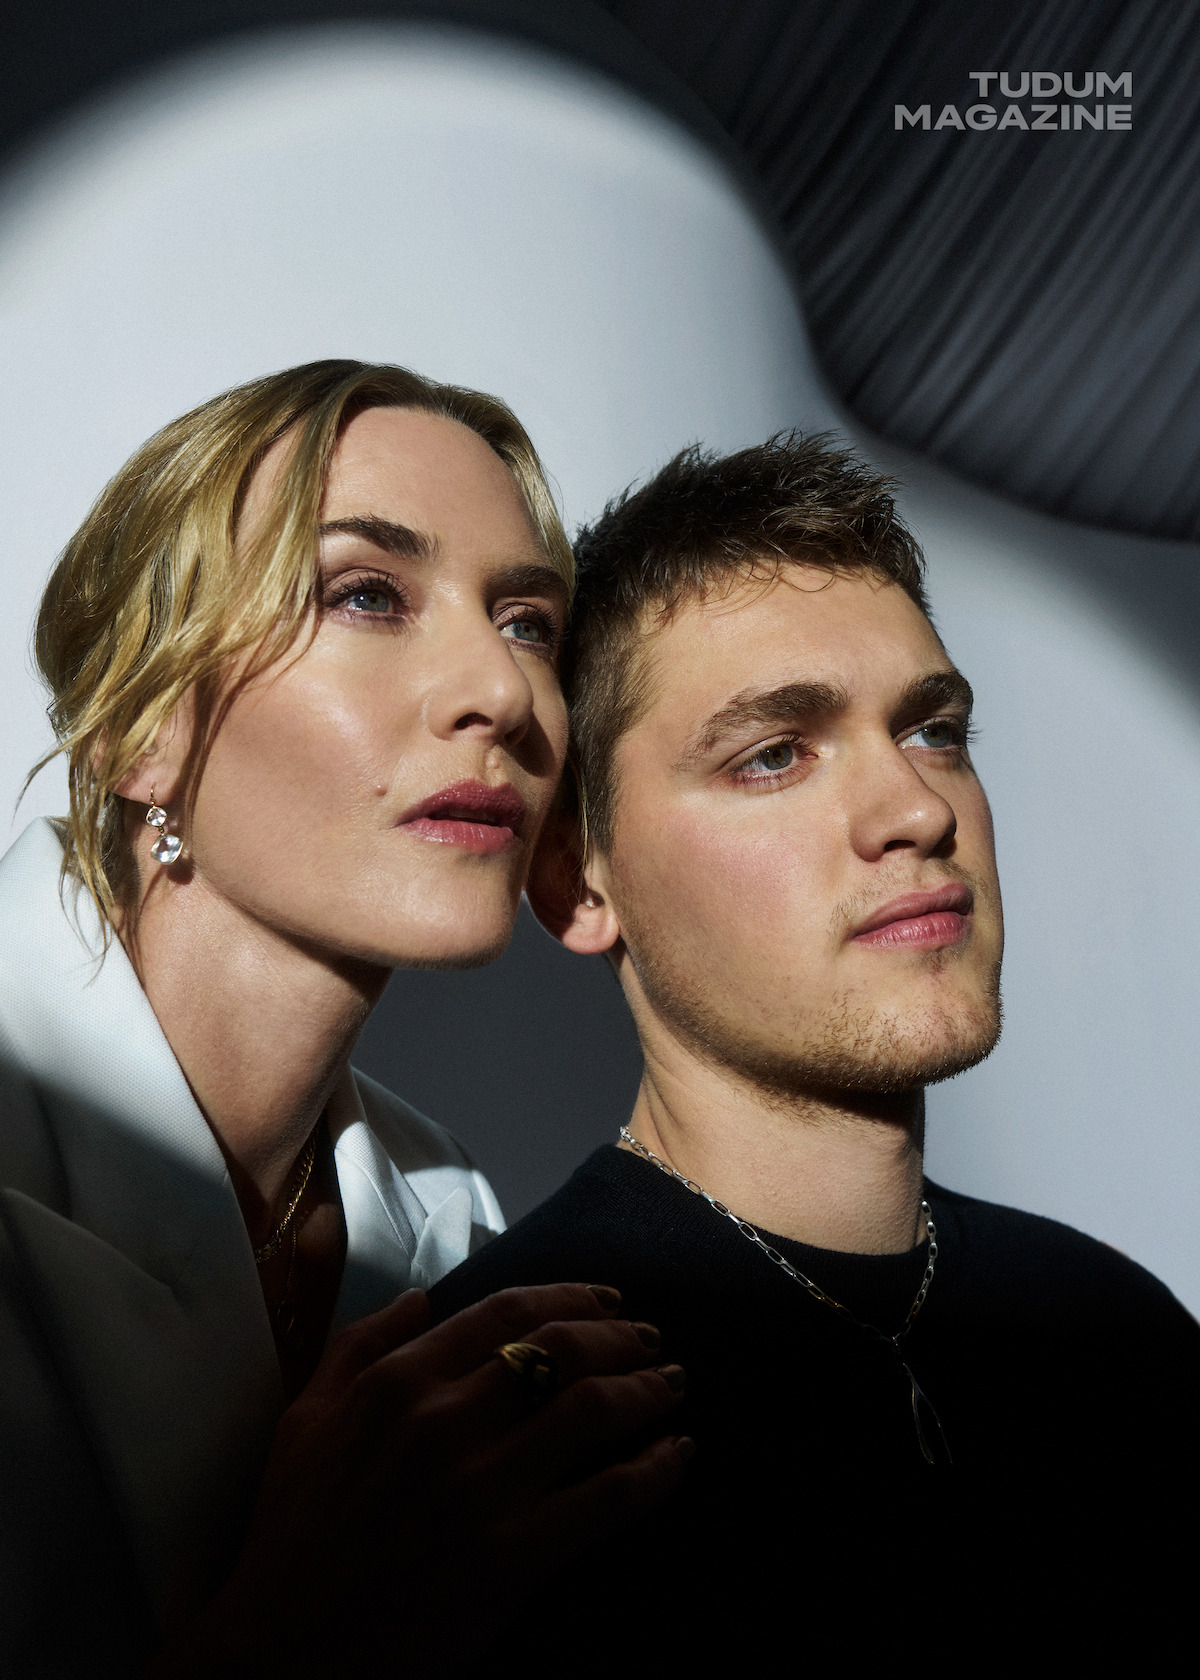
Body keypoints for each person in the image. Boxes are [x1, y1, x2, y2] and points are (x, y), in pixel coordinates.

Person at [431, 434, 1200, 1667]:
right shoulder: (505, 1418)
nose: (917, 809)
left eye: (935, 729)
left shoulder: (1116, 1332)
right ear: (580, 883)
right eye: (774, 753)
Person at [0, 360, 691, 1679]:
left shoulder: (454, 1220)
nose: (499, 690)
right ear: (141, 724)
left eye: (531, 622)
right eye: (367, 593)